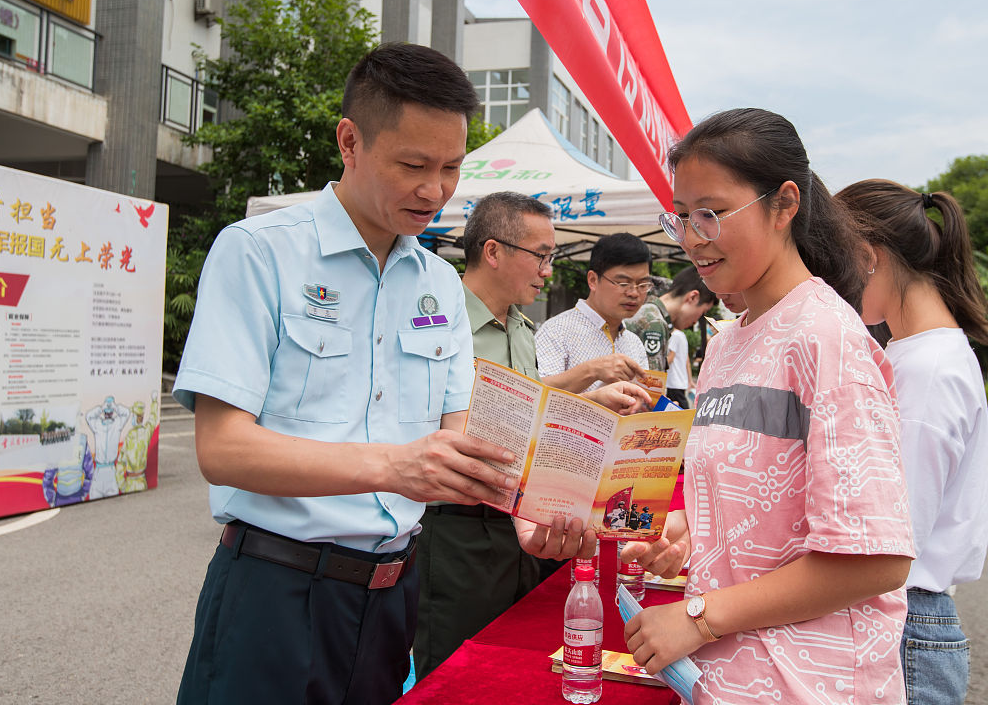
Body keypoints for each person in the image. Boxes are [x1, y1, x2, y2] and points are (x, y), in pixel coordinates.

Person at [171, 43, 521, 705]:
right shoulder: (260, 254)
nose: (435, 190)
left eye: (451, 167)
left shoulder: (441, 286)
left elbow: (458, 440)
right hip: (273, 592)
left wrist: (537, 504)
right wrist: (394, 468)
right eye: (413, 165)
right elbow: (223, 449)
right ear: (350, 141)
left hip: (393, 600)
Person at [621, 108, 914, 705]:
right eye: (681, 217)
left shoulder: (825, 339)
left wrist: (698, 616)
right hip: (726, 680)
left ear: (784, 204)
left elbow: (876, 559)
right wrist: (690, 531)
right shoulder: (730, 341)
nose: (692, 237)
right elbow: (765, 503)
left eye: (711, 213)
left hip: (811, 685)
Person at [413, 191, 648, 678]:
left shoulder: (521, 327)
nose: (547, 270)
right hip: (455, 525)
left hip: (518, 521)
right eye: (540, 256)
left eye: (550, 257)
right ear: (493, 252)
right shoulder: (434, 318)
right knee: (455, 672)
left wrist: (590, 405)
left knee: (512, 663)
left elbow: (529, 415)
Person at [836, 179, 988, 705]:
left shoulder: (928, 370)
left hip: (904, 622)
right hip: (903, 618)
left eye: (836, 263)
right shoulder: (917, 355)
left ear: (867, 256)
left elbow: (889, 538)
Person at [535, 232, 652, 393]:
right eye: (623, 283)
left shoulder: (634, 343)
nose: (634, 293)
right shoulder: (556, 331)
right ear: (593, 280)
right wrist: (592, 371)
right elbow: (535, 393)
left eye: (643, 284)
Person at [624, 265, 716, 372]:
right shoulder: (655, 323)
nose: (696, 321)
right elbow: (651, 382)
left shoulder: (648, 311)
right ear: (693, 297)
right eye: (702, 312)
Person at [665, 328, 691, 408]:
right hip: (681, 380)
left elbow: (671, 357)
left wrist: (658, 365)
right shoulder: (682, 335)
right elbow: (687, 360)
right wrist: (689, 380)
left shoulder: (675, 336)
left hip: (674, 380)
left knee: (677, 410)